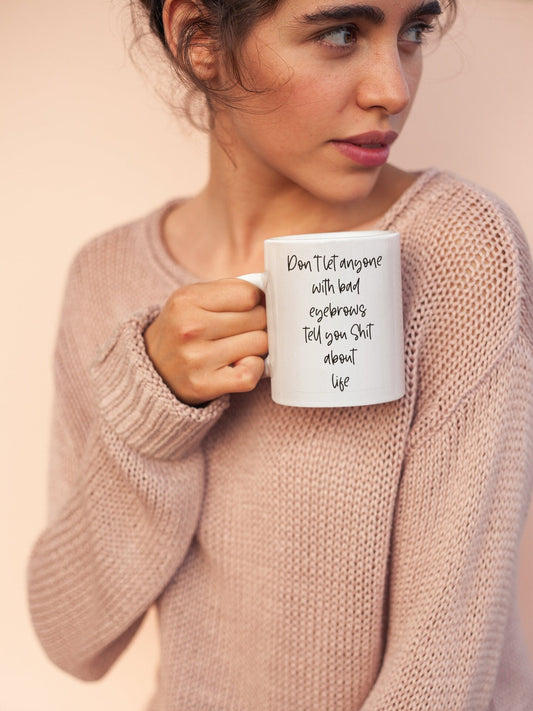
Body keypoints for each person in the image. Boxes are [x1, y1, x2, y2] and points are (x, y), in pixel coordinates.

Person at [27, 0, 533, 708]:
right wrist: (155, 410)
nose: (392, 88)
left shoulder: (457, 249)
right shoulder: (107, 277)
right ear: (198, 38)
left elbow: (444, 667)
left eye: (412, 31)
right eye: (339, 34)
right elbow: (71, 636)